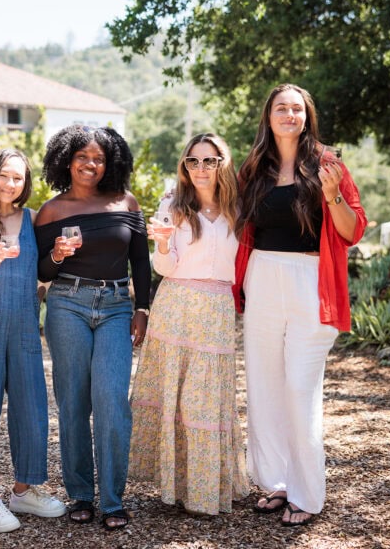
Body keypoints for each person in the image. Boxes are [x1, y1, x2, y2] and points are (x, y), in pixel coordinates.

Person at [233, 84, 367, 527]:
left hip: (311, 280)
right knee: (265, 387)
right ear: (268, 116)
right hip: (264, 277)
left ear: (307, 115)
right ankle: (277, 482)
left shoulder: (328, 164)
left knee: (299, 390)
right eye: (280, 108)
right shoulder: (254, 167)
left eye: (296, 108)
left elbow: (352, 231)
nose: (289, 115)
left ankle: (308, 494)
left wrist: (332, 196)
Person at [34, 125, 151, 531]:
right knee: (73, 402)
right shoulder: (51, 211)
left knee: (113, 399)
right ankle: (81, 494)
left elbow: (141, 260)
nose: (90, 164)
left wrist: (144, 309)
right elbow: (42, 270)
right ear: (67, 160)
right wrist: (56, 254)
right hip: (68, 303)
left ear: (110, 163)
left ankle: (114, 499)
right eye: (83, 156)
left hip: (118, 306)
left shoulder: (125, 202)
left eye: (99, 158)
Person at [129, 133, 250, 515]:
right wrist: (162, 244)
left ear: (222, 163)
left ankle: (205, 489)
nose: (200, 168)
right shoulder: (173, 202)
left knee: (205, 398)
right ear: (185, 165)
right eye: (193, 161)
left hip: (216, 307)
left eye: (209, 161)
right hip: (176, 304)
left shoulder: (239, 207)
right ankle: (177, 486)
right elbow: (163, 268)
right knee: (175, 397)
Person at [0, 148, 66, 533]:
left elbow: (42, 274)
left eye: (18, 178)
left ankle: (24, 489)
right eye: (4, 175)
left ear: (25, 184)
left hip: (23, 326)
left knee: (32, 409)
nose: (10, 183)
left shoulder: (34, 221)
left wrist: (57, 254)